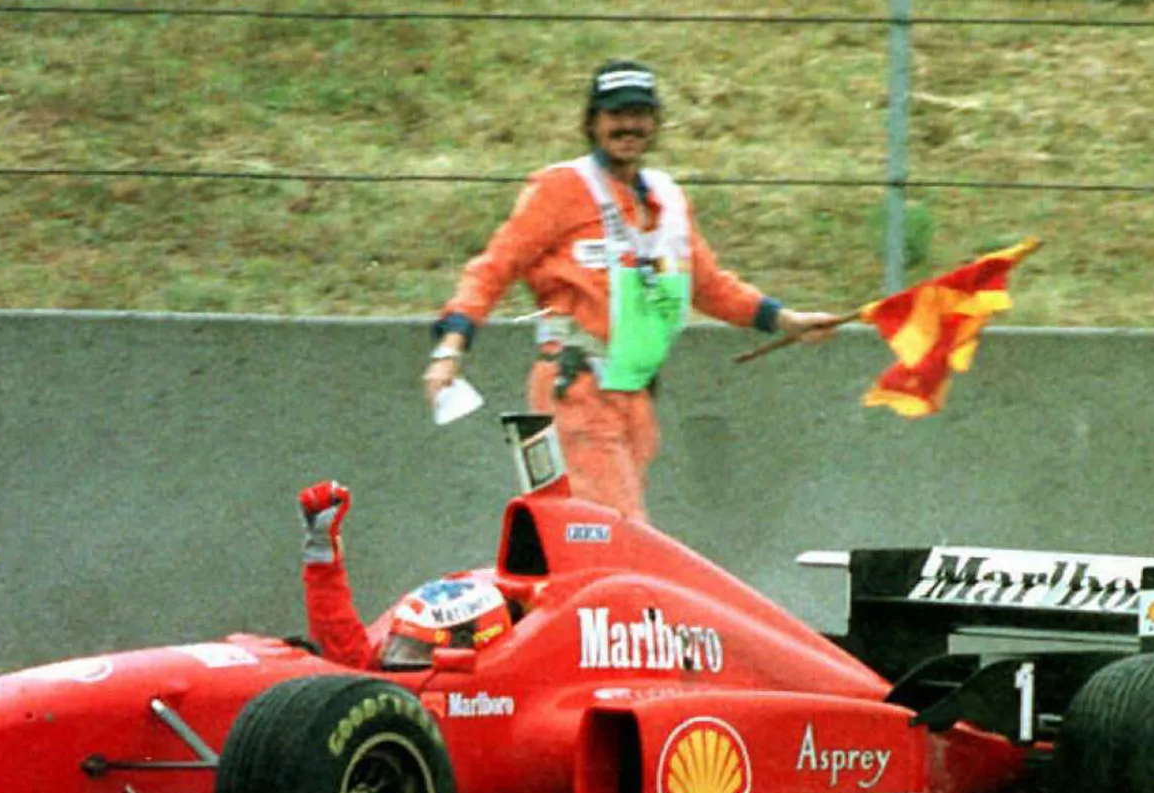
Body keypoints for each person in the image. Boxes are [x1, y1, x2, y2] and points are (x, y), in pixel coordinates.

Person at [423, 60, 840, 522]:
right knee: (616, 532)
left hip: (634, 397)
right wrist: (450, 349)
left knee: (591, 537)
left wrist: (786, 320)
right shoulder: (561, 187)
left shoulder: (668, 198)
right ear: (592, 122)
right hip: (576, 389)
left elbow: (710, 286)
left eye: (640, 114)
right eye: (615, 114)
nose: (629, 125)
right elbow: (492, 268)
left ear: (655, 124)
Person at [298, 480, 512, 670]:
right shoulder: (385, 661)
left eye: (416, 651)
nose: (395, 659)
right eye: (401, 647)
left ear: (462, 645)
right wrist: (321, 553)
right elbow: (346, 653)